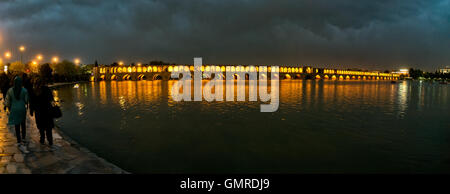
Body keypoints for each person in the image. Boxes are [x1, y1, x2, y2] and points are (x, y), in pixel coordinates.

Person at [4, 76, 29, 153]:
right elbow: (26, 100)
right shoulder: (24, 90)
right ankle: (24, 138)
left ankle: (19, 140)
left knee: (17, 125)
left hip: (14, 109)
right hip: (22, 108)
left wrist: (8, 107)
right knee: (23, 123)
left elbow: (7, 101)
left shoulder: (10, 90)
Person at [30, 78, 55, 147]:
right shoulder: (47, 89)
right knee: (48, 127)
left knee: (41, 126)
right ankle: (50, 140)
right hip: (47, 111)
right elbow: (51, 99)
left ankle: (42, 139)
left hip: (39, 112)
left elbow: (32, 102)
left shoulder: (34, 91)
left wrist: (31, 110)